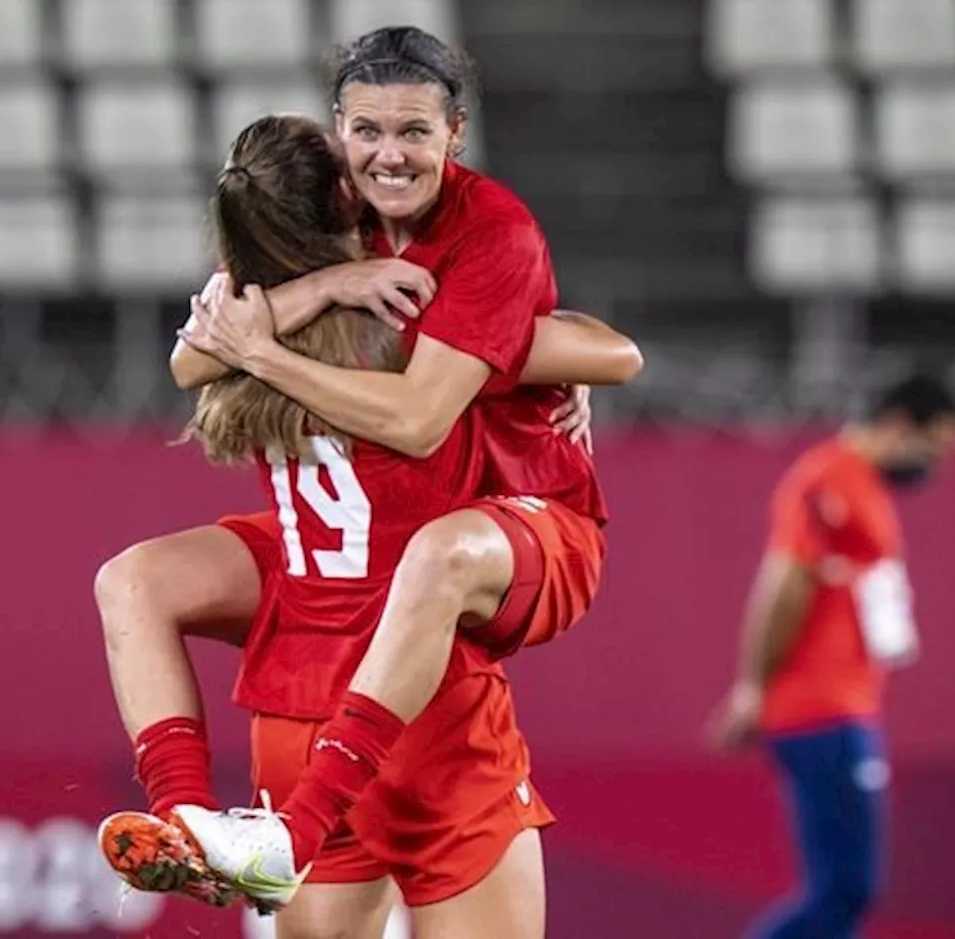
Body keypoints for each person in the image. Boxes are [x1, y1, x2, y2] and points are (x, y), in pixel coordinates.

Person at [101, 26, 635, 935]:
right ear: (340, 136)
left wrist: (269, 342)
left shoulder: (356, 257)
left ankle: (255, 828)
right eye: (369, 134)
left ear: (454, 132)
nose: (390, 155)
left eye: (413, 133)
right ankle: (203, 825)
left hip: (404, 592)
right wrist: (329, 292)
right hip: (416, 668)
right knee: (417, 561)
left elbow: (207, 363)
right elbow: (600, 351)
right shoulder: (327, 260)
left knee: (137, 579)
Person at [707, 373, 955, 939]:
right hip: (819, 709)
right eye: (934, 447)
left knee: (846, 892)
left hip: (845, 706)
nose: (936, 466)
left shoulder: (864, 487)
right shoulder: (830, 480)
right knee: (845, 888)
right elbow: (784, 583)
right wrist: (753, 688)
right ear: (899, 425)